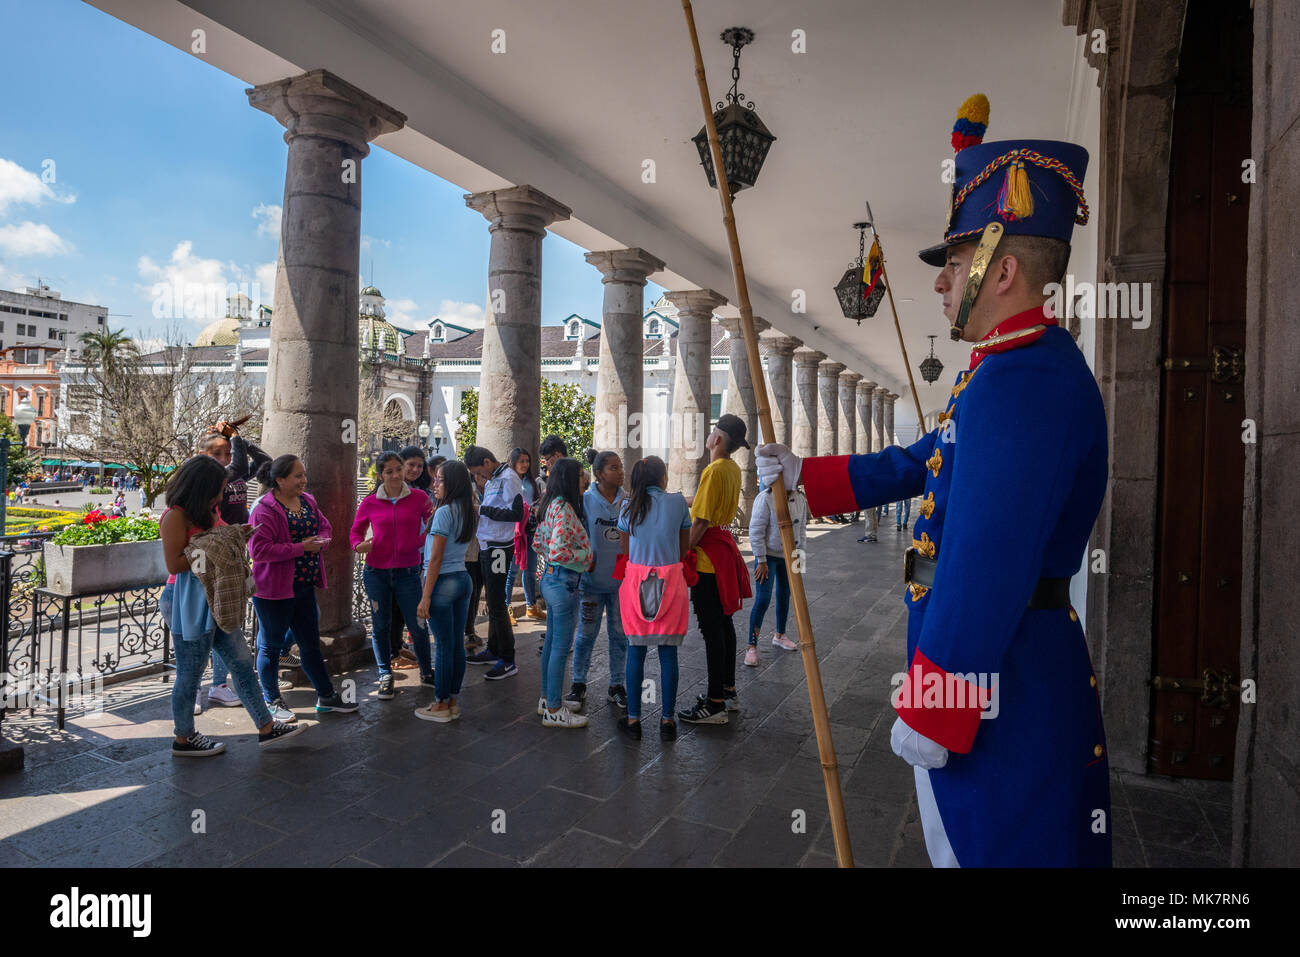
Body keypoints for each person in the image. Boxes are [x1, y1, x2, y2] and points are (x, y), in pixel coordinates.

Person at [756, 95, 1109, 867]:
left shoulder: (1026, 383)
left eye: (952, 267)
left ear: (1002, 269)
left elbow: (987, 561)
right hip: (987, 666)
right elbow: (921, 462)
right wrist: (807, 474)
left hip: (997, 679)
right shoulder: (1003, 373)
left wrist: (938, 701)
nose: (944, 287)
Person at [159, 455, 305, 754]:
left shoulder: (209, 510)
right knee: (191, 672)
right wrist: (215, 544)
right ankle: (183, 738)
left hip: (217, 596)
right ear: (203, 487)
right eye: (220, 487)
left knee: (241, 663)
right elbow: (174, 565)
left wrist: (230, 537)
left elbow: (217, 539)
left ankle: (266, 728)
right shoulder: (175, 515)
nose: (224, 493)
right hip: (188, 600)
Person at [248, 454, 355, 718]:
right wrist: (301, 547)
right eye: (298, 476)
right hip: (273, 591)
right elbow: (259, 551)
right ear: (280, 479)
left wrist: (323, 540)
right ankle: (272, 701)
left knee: (310, 644)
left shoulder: (308, 501)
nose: (304, 480)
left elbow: (324, 526)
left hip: (304, 586)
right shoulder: (264, 508)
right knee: (270, 647)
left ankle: (326, 696)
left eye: (304, 475)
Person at [679, 414, 753, 724]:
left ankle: (714, 702)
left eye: (712, 432)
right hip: (724, 551)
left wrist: (682, 553)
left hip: (708, 556)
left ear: (717, 439)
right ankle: (728, 690)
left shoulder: (713, 470)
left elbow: (701, 521)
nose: (709, 436)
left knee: (712, 630)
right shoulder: (733, 469)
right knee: (724, 624)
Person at [616, 455, 693, 741]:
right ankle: (667, 720)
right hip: (670, 582)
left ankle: (634, 719)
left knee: (635, 651)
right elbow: (684, 549)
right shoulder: (677, 503)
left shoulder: (627, 507)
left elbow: (625, 552)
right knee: (668, 652)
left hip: (637, 583)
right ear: (663, 478)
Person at [197, 422, 272, 708]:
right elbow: (240, 465)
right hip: (214, 551)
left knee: (225, 623)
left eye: (228, 453)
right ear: (202, 455)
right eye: (218, 453)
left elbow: (264, 462)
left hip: (234, 550)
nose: (226, 458)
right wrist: (236, 436)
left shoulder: (232, 475)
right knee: (202, 626)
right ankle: (198, 686)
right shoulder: (215, 478)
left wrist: (239, 440)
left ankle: (218, 684)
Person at [350, 451, 436, 700]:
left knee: (418, 623)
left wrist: (417, 543)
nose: (396, 475)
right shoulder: (370, 503)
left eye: (398, 469)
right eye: (389, 471)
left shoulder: (419, 498)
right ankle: (385, 673)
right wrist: (359, 546)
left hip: (409, 571)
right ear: (381, 475)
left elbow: (432, 525)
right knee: (380, 626)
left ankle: (426, 671)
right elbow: (355, 534)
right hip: (376, 572)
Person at [413, 460, 478, 723]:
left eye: (440, 479)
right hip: (463, 578)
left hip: (443, 582)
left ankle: (440, 704)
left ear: (453, 483)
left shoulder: (443, 513)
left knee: (442, 645)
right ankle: (451, 700)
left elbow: (436, 558)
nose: (435, 484)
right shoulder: (468, 510)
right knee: (456, 646)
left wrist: (425, 596)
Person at [532, 457, 591, 728]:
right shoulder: (565, 509)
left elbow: (538, 544)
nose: (585, 479)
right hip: (564, 581)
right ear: (568, 478)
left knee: (553, 646)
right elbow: (558, 551)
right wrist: (587, 555)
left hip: (550, 580)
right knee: (559, 648)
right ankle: (554, 709)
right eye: (580, 475)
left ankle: (548, 698)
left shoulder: (549, 505)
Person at [567, 449, 627, 712]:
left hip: (621, 584)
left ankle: (617, 685)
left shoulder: (628, 501)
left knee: (620, 635)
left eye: (621, 466)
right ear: (599, 474)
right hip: (591, 582)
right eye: (614, 468)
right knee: (586, 635)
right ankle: (578, 683)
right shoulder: (584, 501)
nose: (621, 471)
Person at [464, 445, 523, 680]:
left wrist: (482, 509)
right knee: (492, 600)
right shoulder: (490, 482)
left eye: (480, 471)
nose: (479, 477)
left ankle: (508, 659)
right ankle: (494, 649)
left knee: (498, 603)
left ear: (488, 462)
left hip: (499, 547)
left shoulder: (509, 478)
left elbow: (516, 513)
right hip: (487, 545)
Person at [746, 475, 807, 665]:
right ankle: (751, 645)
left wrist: (800, 560)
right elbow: (756, 530)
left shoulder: (800, 499)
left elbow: (802, 531)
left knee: (785, 595)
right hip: (768, 556)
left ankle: (780, 634)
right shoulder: (765, 498)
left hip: (789, 555)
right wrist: (761, 559)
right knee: (763, 598)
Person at [388, 445, 433, 671]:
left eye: (419, 466)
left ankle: (397, 645)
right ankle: (391, 653)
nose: (415, 469)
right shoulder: (390, 490)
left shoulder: (417, 490)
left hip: (414, 556)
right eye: (411, 465)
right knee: (393, 607)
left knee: (403, 607)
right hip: (392, 559)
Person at [503, 448, 544, 625]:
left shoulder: (531, 481)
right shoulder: (506, 480)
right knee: (511, 571)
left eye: (527, 461)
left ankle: (531, 606)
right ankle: (505, 607)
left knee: (530, 568)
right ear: (512, 462)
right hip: (514, 531)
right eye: (521, 461)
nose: (525, 464)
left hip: (530, 529)